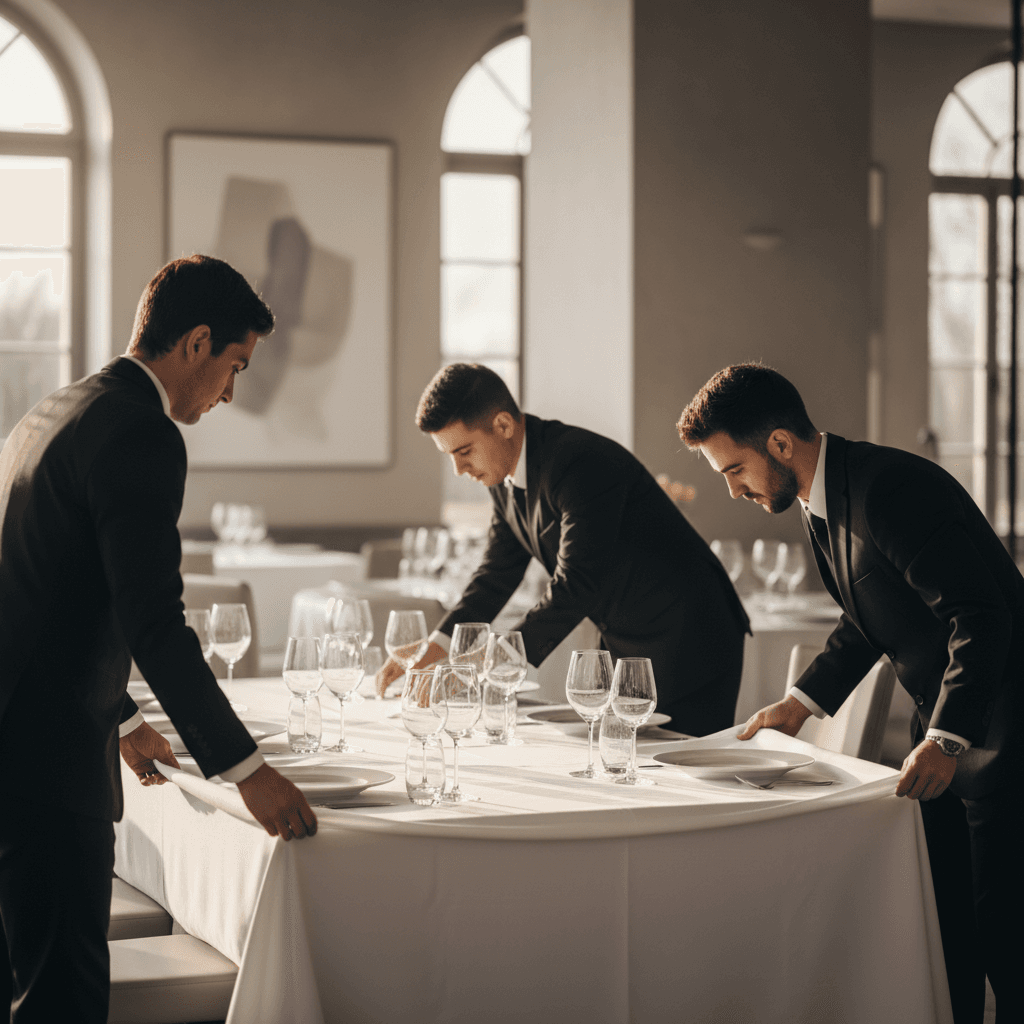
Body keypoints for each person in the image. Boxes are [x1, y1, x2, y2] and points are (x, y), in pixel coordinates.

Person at [0, 255, 318, 1024]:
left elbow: (47, 597)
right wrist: (246, 768)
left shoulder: (57, 408)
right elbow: (155, 623)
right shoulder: (142, 433)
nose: (230, 392)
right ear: (197, 343)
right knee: (61, 1002)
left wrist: (128, 720)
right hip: (45, 771)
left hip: (18, 744)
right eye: (234, 367)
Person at [676, 362, 1023, 1024]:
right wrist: (801, 702)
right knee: (949, 925)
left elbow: (981, 616)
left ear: (780, 444)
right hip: (946, 741)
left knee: (1006, 939)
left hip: (1004, 732)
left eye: (735, 470)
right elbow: (869, 617)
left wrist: (947, 736)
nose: (733, 490)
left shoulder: (889, 487)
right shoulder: (820, 499)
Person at [377, 362, 750, 735]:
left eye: (464, 451)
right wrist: (435, 648)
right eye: (450, 457)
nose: (459, 469)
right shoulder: (502, 478)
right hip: (630, 644)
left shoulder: (578, 462)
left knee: (677, 778)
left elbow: (578, 581)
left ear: (503, 426)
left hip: (691, 638)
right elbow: (495, 575)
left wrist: (492, 661)